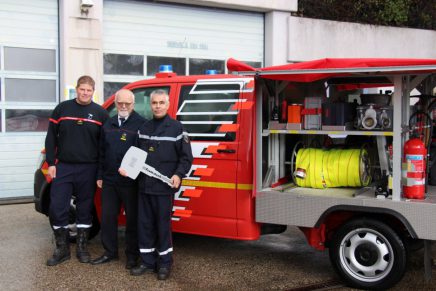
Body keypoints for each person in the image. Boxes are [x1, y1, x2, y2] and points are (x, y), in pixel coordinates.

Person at [123, 89, 193, 280]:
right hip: (144, 186)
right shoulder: (144, 128)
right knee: (144, 225)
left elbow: (186, 158)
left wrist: (179, 175)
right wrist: (127, 169)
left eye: (161, 103)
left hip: (164, 188)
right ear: (150, 104)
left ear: (168, 104)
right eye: (154, 103)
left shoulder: (177, 129)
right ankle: (147, 262)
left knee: (162, 226)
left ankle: (164, 264)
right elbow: (135, 156)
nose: (158, 106)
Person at [45, 75, 109, 266]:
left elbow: (104, 146)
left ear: (93, 91)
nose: (85, 93)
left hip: (88, 168)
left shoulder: (100, 114)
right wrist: (51, 164)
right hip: (63, 166)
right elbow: (50, 138)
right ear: (77, 89)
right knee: (57, 207)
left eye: (89, 90)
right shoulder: (62, 109)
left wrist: (100, 172)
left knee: (84, 209)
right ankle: (62, 249)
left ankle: (82, 248)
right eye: (82, 89)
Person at [90, 89, 145, 269]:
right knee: (107, 218)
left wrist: (132, 172)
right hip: (109, 181)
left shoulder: (142, 124)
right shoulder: (108, 124)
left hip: (131, 182)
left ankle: (132, 256)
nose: (123, 106)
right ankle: (110, 252)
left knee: (132, 220)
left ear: (133, 104)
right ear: (115, 104)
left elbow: (143, 154)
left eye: (127, 104)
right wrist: (99, 175)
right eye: (120, 103)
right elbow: (101, 152)